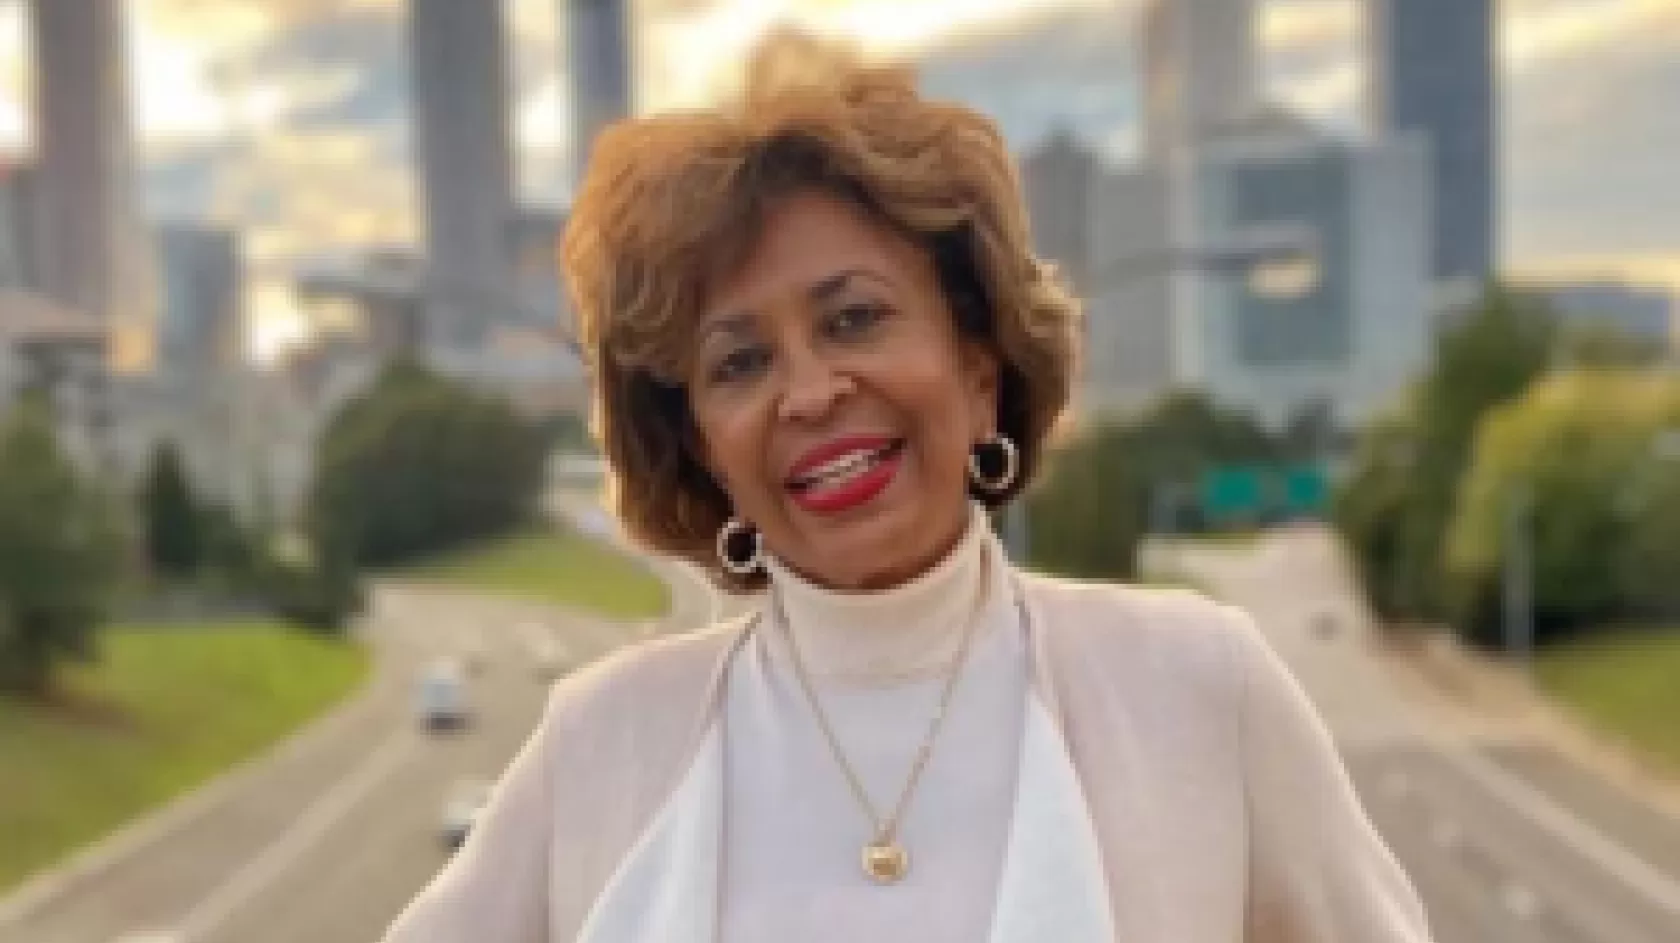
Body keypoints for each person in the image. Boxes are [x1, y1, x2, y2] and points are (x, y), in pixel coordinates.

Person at [381, 30, 1432, 943]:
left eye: (854, 319)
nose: (809, 392)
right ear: (702, 445)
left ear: (979, 369)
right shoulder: (601, 740)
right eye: (739, 363)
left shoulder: (1200, 686)